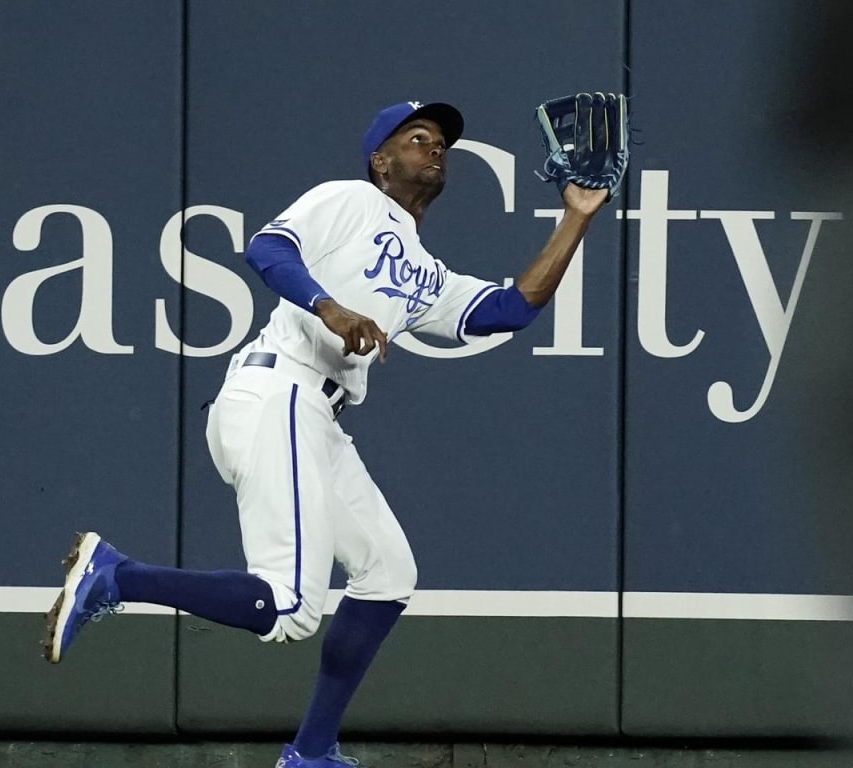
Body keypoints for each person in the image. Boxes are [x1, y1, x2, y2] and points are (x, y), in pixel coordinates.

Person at [42, 100, 610, 768]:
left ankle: (312, 752)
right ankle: (117, 575)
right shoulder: (352, 201)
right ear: (379, 160)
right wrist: (329, 306)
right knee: (287, 608)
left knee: (389, 572)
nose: (433, 149)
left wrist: (576, 215)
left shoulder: (425, 273)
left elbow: (510, 310)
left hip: (313, 416)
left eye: (440, 143)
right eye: (416, 138)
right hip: (279, 389)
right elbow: (267, 247)